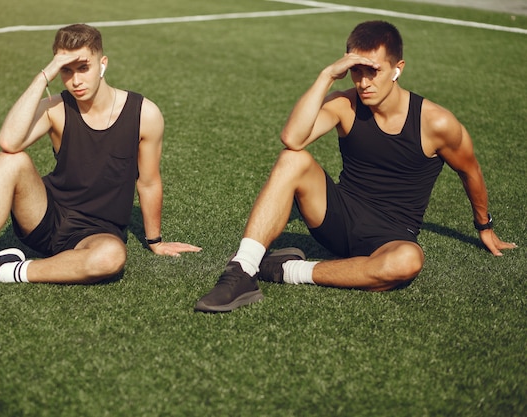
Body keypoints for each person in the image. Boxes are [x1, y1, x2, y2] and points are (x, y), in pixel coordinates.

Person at [194, 20, 517, 313]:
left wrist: (484, 226)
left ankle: (284, 270)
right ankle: (241, 271)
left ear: (397, 68)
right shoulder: (345, 103)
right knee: (292, 158)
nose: (363, 82)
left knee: (408, 261)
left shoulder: (436, 123)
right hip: (338, 217)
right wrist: (327, 76)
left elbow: (470, 171)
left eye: (372, 70)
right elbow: (292, 138)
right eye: (355, 71)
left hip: (391, 234)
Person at [0, 24, 201, 310]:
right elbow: (8, 141)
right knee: (10, 158)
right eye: (67, 70)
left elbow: (148, 181)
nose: (75, 80)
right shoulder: (57, 108)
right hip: (46, 215)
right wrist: (45, 75)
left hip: (97, 231)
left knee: (111, 258)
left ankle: (1, 270)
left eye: (83, 67)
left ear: (103, 64)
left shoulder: (144, 114)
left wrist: (155, 241)